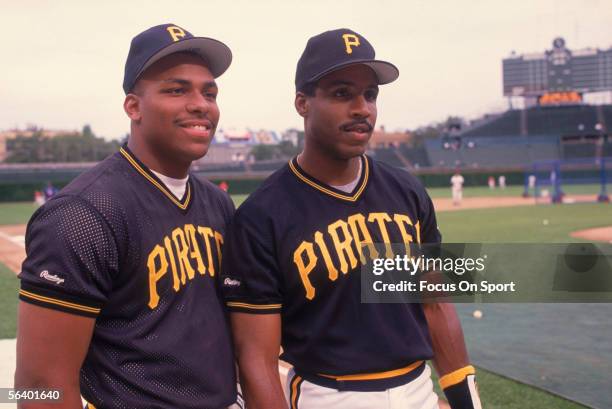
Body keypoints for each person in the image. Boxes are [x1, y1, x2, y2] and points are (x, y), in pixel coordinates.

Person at [222, 28, 481, 409]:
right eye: (342, 93)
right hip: (327, 396)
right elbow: (257, 357)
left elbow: (435, 302)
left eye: (370, 94)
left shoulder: (407, 192)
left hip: (418, 391)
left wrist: (465, 400)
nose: (362, 108)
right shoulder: (262, 216)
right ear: (302, 103)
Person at [15, 24, 238, 409]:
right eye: (176, 89)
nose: (201, 103)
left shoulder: (217, 204)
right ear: (133, 106)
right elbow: (37, 384)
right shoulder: (81, 214)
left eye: (210, 92)